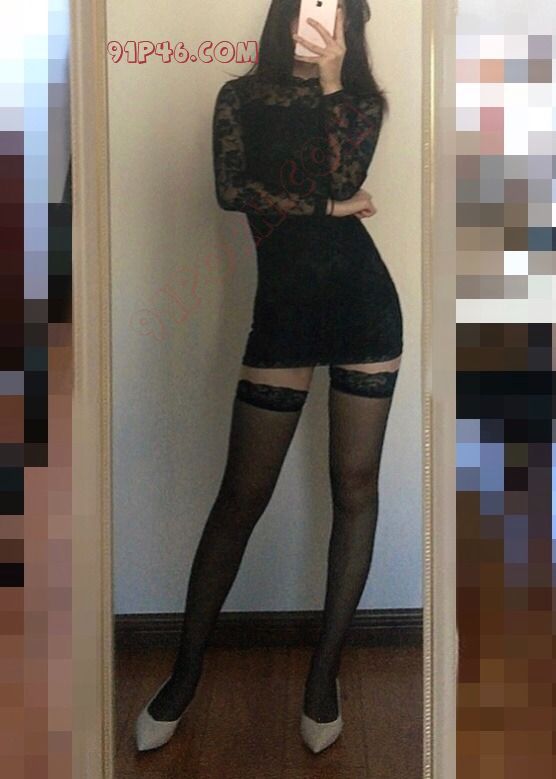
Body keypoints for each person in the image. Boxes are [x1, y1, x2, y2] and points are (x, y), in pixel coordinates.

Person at [136, 0, 403, 755]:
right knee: (240, 496)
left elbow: (347, 172)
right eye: (306, 6)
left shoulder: (359, 102)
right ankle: (183, 675)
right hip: (283, 312)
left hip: (365, 309)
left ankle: (323, 679)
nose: (316, 21)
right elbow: (232, 191)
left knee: (356, 489)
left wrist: (332, 83)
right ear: (282, 13)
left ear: (350, 25)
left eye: (334, 11)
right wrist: (328, 206)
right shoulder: (240, 96)